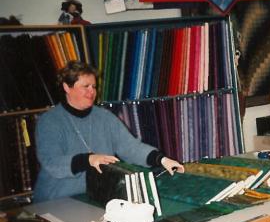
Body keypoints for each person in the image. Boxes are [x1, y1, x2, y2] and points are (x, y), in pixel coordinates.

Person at [34, 61, 184, 202]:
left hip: (96, 197)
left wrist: (161, 159)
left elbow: (131, 148)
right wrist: (88, 160)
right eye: (85, 86)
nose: (92, 92)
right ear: (67, 87)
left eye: (94, 86)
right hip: (57, 199)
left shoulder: (104, 117)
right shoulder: (50, 121)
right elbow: (52, 162)